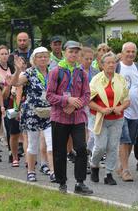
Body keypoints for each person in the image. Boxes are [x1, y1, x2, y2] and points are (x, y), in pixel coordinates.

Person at [47, 40, 93, 195]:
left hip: (78, 117)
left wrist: (75, 104)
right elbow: (49, 95)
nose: (73, 55)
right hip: (59, 117)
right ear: (65, 53)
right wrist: (66, 100)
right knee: (59, 151)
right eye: (70, 52)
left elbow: (87, 94)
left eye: (76, 52)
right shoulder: (56, 71)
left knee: (81, 148)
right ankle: (61, 182)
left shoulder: (82, 73)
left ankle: (80, 182)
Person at [11, 47, 55, 182]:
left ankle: (53, 171)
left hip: (49, 112)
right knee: (33, 144)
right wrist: (18, 70)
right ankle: (31, 171)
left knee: (51, 143)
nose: (43, 59)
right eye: (39, 56)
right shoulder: (29, 72)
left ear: (49, 59)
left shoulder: (52, 73)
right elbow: (15, 83)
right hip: (32, 113)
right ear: (34, 59)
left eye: (45, 56)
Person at [89, 52, 130, 185]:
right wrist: (101, 109)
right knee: (100, 146)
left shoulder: (120, 79)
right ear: (102, 65)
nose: (111, 65)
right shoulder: (96, 79)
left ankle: (109, 174)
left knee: (112, 147)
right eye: (108, 62)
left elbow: (127, 100)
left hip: (117, 118)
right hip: (100, 117)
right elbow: (88, 101)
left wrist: (121, 107)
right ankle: (94, 165)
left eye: (114, 62)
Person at [116, 42, 138, 182]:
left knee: (130, 141)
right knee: (124, 140)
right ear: (123, 52)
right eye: (128, 51)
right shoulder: (117, 66)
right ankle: (125, 170)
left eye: (133, 52)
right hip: (121, 111)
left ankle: (122, 166)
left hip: (136, 111)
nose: (130, 54)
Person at [0, 45, 15, 162]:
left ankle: (11, 152)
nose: (4, 56)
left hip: (9, 99)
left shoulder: (12, 68)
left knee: (9, 125)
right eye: (2, 54)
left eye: (6, 54)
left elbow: (15, 83)